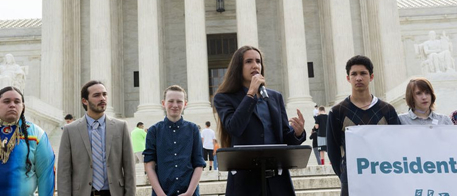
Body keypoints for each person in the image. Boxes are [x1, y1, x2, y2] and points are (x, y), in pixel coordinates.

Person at [213, 45, 306, 196]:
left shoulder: (275, 97)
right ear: (238, 67)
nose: (255, 65)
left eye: (258, 61)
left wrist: (297, 133)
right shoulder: (224, 98)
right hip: (245, 181)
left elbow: (284, 138)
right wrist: (250, 94)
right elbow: (234, 128)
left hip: (277, 181)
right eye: (248, 61)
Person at [326, 55, 400, 196]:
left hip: (383, 177)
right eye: (354, 74)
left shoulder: (387, 110)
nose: (358, 78)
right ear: (348, 78)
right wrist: (344, 175)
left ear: (371, 77)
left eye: (363, 73)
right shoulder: (337, 112)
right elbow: (333, 149)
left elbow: (396, 144)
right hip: (352, 180)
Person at [57, 80, 136, 196]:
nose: (102, 98)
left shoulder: (121, 127)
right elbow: (64, 171)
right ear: (85, 101)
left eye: (104, 94)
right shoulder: (70, 130)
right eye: (96, 95)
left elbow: (130, 168)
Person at [144, 85, 206, 196]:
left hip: (189, 192)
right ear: (163, 104)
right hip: (162, 192)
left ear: (185, 104)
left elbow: (199, 163)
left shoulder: (193, 129)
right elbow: (149, 165)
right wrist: (160, 194)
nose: (175, 105)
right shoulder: (153, 131)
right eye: (171, 101)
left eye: (179, 101)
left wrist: (189, 193)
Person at [0, 86, 55, 196]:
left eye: (17, 102)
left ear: (23, 107)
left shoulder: (37, 134)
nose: (12, 105)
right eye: (6, 101)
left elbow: (46, 175)